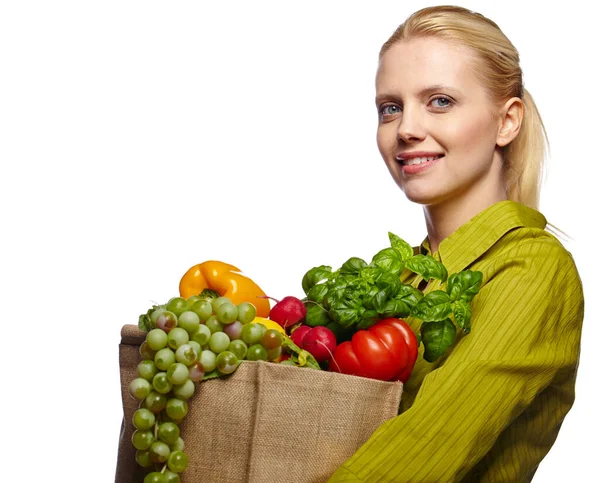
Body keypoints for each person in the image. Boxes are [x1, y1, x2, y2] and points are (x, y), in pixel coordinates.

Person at [328, 5, 584, 482]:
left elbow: (427, 449)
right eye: (391, 107)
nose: (406, 128)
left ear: (507, 122)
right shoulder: (399, 277)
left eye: (440, 101)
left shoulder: (532, 268)